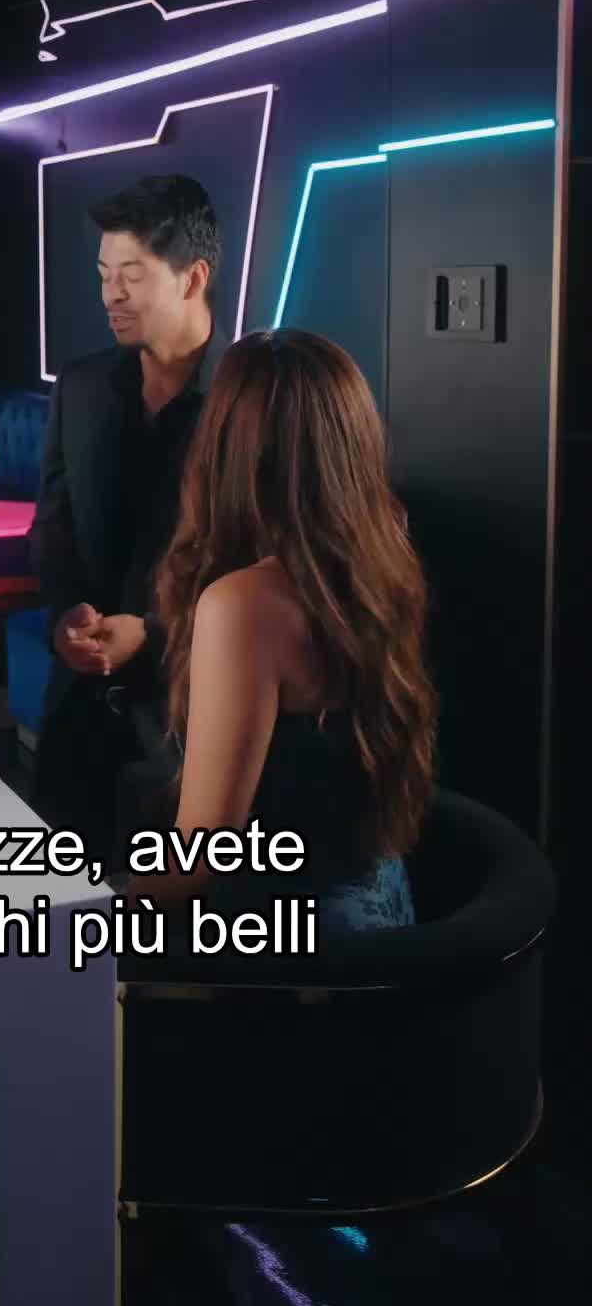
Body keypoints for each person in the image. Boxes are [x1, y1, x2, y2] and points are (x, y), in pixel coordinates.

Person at [118, 329, 437, 932]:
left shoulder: (243, 605)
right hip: (388, 918)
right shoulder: (383, 563)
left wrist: (81, 929)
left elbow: (200, 859)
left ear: (227, 450)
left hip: (295, 946)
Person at [32, 174, 227, 865]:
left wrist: (154, 632)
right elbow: (53, 527)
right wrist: (64, 619)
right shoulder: (82, 387)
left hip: (196, 716)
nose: (110, 294)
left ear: (192, 277)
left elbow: (277, 564)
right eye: (103, 274)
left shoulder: (253, 399)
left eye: (132, 275)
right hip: (77, 706)